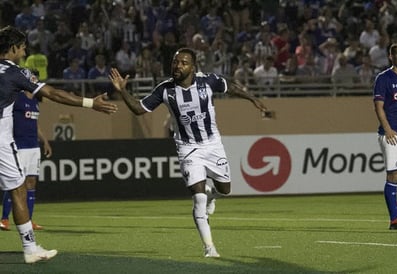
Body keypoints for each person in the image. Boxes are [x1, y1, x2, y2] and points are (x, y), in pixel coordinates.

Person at [109, 47, 268, 257]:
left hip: (212, 144)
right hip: (187, 148)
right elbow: (139, 109)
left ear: (193, 67)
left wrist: (251, 98)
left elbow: (229, 86)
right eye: (175, 62)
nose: (177, 66)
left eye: (183, 63)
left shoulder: (208, 81)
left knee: (225, 189)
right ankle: (209, 247)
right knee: (198, 198)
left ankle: (213, 196)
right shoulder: (165, 89)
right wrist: (122, 91)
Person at [0, 25, 117, 263]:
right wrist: (89, 103)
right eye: (22, 48)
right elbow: (52, 93)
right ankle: (30, 249)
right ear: (13, 48)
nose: (23, 52)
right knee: (18, 190)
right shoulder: (15, 72)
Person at [1, 87, 52, 231]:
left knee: (31, 182)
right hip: (19, 145)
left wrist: (45, 142)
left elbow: (35, 125)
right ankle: (4, 219)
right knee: (15, 182)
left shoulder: (35, 101)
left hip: (34, 147)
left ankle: (29, 220)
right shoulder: (17, 99)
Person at [373, 42, 397, 230]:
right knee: (395, 174)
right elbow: (378, 106)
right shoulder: (384, 78)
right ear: (391, 56)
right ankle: (395, 220)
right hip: (392, 134)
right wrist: (387, 129)